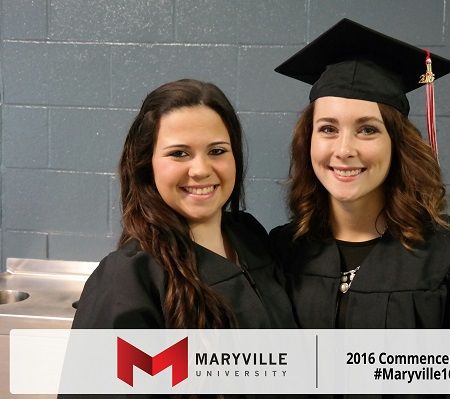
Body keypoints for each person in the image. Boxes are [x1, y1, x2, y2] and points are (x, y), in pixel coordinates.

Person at [270, 19, 450, 398]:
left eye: (367, 129)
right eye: (328, 128)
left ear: (397, 145)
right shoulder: (283, 249)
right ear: (307, 143)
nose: (344, 149)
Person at [61, 79, 295, 398]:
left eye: (217, 151)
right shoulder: (129, 277)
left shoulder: (250, 238)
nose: (200, 170)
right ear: (147, 164)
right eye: (179, 153)